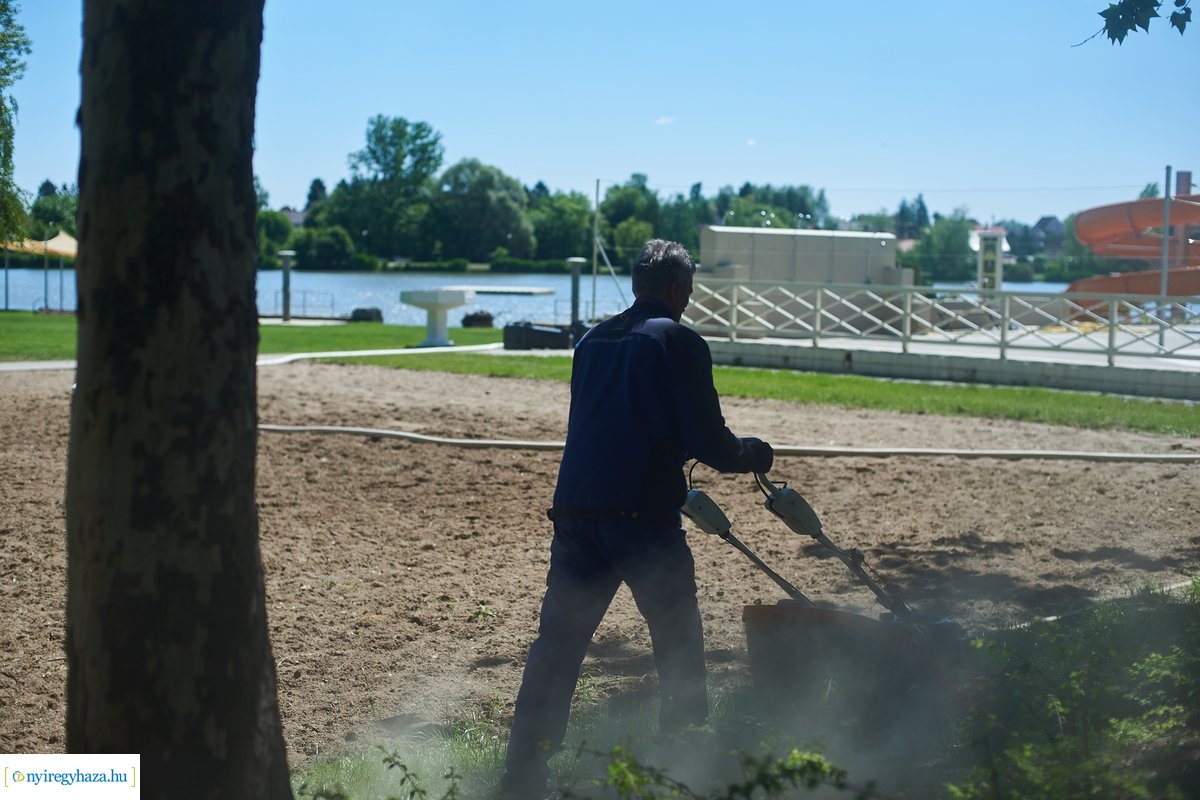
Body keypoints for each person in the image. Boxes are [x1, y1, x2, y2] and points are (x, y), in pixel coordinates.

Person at [498, 239, 774, 798]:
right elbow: (709, 441)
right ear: (677, 290)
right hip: (642, 518)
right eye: (688, 293)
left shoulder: (591, 340)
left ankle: (521, 777)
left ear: (635, 285)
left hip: (576, 510)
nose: (688, 302)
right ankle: (682, 768)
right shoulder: (679, 341)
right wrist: (755, 454)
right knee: (677, 643)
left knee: (557, 649)